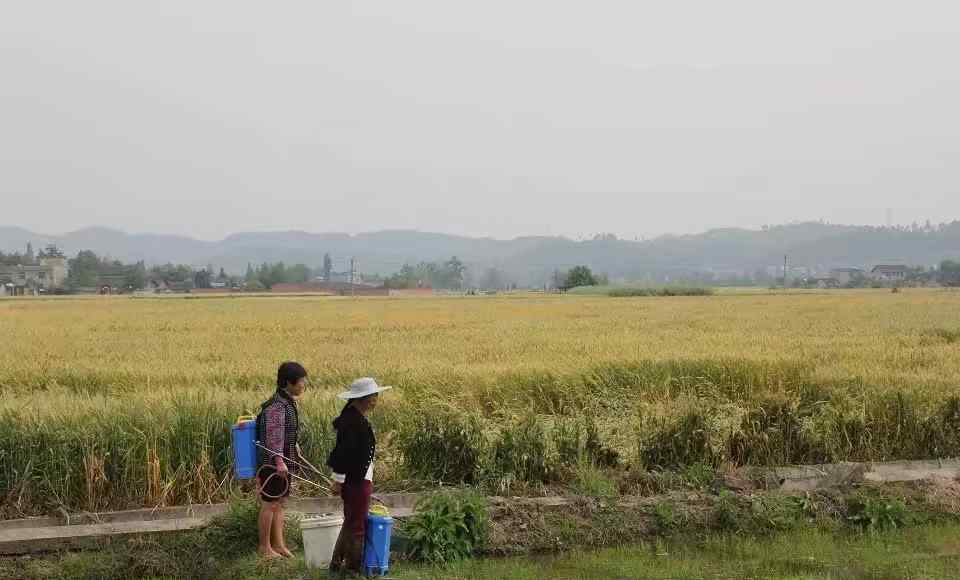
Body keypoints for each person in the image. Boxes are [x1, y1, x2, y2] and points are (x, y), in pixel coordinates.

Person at [327, 377, 392, 575]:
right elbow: (342, 454)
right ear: (361, 398)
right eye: (373, 396)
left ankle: (336, 565)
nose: (376, 399)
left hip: (359, 478)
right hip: (356, 481)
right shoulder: (354, 422)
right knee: (357, 526)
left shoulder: (353, 417)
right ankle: (353, 570)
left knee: (350, 521)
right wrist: (338, 480)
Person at [255, 361, 308, 559]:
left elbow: (286, 432)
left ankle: (279, 545)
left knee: (280, 503)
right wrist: (278, 461)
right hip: (273, 464)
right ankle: (264, 547)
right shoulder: (276, 406)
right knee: (269, 503)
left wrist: (294, 445)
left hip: (284, 460)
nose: (304, 385)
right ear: (289, 382)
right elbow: (274, 436)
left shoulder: (287, 402)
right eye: (301, 381)